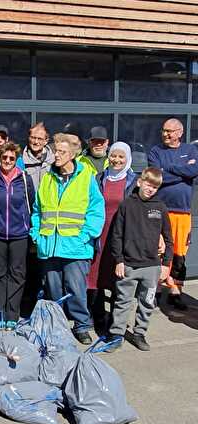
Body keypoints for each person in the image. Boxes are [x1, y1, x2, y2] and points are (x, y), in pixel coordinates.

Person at [30, 133, 105, 345]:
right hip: (49, 246)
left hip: (76, 246)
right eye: (56, 152)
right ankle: (57, 327)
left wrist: (86, 236)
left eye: (62, 152)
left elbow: (96, 210)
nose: (57, 155)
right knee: (53, 292)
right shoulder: (47, 179)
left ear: (73, 154)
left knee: (76, 290)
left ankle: (81, 326)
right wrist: (36, 234)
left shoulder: (86, 178)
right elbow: (37, 210)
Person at [105, 168, 173, 352]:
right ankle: (116, 334)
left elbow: (168, 238)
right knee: (122, 302)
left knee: (147, 302)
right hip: (128, 265)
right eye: (148, 184)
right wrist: (119, 260)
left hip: (152, 267)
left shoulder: (160, 207)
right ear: (139, 182)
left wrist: (166, 265)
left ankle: (139, 333)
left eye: (155, 187)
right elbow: (116, 235)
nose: (151, 189)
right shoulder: (126, 205)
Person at [148, 118, 198, 310]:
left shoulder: (191, 150)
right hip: (161, 209)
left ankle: (176, 290)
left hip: (183, 211)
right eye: (164, 130)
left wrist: (169, 169)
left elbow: (194, 170)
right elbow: (157, 177)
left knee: (179, 252)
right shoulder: (156, 151)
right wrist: (183, 172)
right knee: (158, 251)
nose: (166, 134)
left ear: (180, 132)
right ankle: (157, 291)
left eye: (170, 131)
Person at [87, 142, 137, 333]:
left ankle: (117, 321)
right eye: (113, 156)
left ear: (127, 159)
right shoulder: (99, 178)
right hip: (100, 235)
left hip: (121, 237)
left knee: (119, 279)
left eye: (121, 157)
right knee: (96, 278)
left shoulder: (133, 182)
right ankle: (99, 316)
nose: (116, 160)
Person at [0, 142, 35, 329]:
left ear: (17, 160)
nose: (7, 161)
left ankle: (12, 315)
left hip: (19, 234)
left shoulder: (24, 179)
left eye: (11, 158)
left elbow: (31, 203)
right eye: (4, 157)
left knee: (17, 274)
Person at [22, 122, 54, 190]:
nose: (36, 142)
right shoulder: (20, 161)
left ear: (46, 141)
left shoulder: (55, 161)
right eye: (33, 138)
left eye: (39, 139)